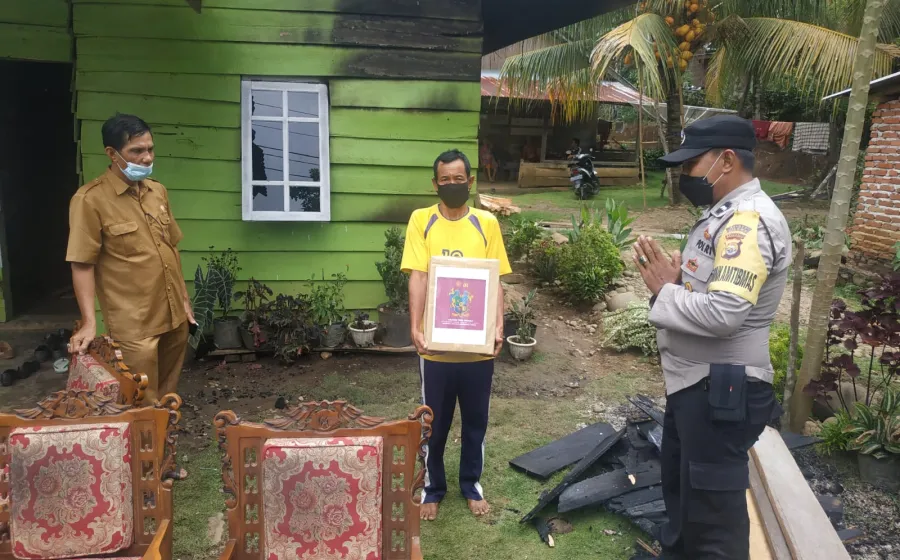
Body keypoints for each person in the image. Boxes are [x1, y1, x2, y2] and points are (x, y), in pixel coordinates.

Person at [632, 115, 790, 559]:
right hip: (698, 386)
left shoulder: (748, 223)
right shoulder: (723, 214)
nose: (685, 175)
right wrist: (677, 284)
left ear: (727, 161)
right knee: (684, 500)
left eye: (691, 164)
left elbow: (724, 314)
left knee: (714, 526)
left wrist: (665, 293)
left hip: (721, 392)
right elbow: (713, 294)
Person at [400, 149, 511, 522]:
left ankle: (471, 485)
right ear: (435, 184)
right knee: (433, 422)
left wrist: (498, 325)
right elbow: (419, 276)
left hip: (477, 350)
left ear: (470, 181)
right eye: (444, 179)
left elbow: (495, 281)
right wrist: (415, 327)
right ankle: (433, 488)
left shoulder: (486, 223)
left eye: (458, 179)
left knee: (476, 421)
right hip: (436, 350)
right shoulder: (422, 220)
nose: (452, 185)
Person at [67, 114, 196, 402]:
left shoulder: (157, 191)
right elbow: (82, 263)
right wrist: (89, 321)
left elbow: (171, 247)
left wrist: (184, 299)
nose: (147, 157)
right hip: (135, 325)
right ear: (112, 154)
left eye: (150, 149)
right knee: (141, 401)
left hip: (174, 316)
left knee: (167, 395)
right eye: (136, 151)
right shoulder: (90, 200)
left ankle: (166, 430)